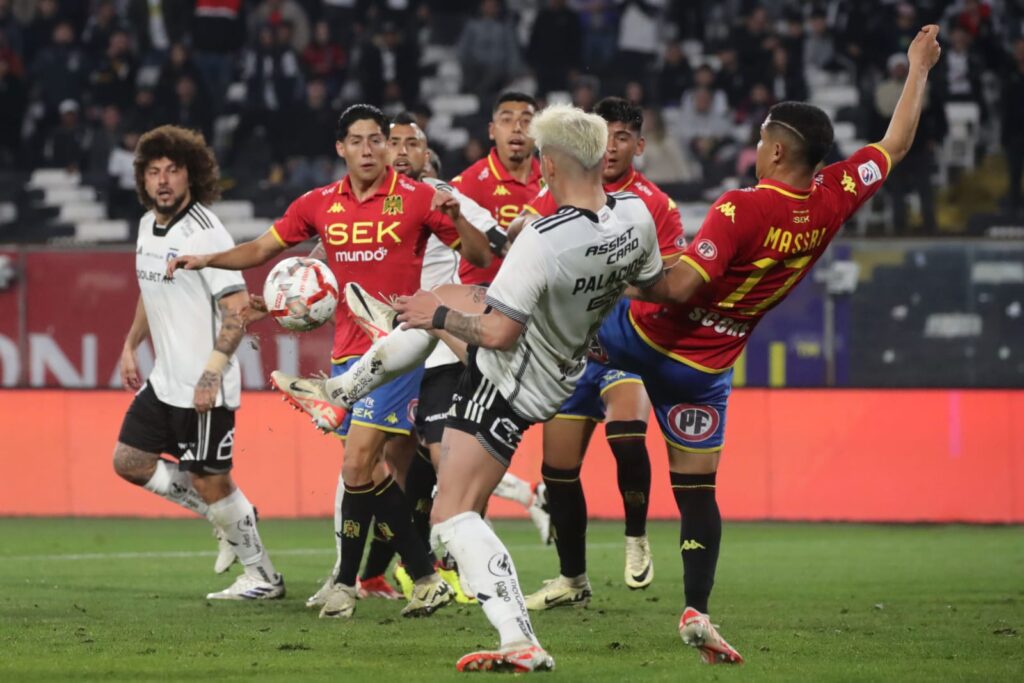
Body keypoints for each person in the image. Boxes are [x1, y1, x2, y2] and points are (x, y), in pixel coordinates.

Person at [272, 103, 666, 672]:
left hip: (509, 380)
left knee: (452, 516)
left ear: (549, 166)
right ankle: (342, 389)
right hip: (566, 367)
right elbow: (655, 285)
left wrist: (435, 317)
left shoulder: (542, 238)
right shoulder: (635, 214)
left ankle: (518, 638)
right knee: (444, 300)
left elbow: (497, 335)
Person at [598, 24, 942, 665]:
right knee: (698, 493)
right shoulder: (834, 195)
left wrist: (619, 270)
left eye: (761, 139)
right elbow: (896, 143)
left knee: (546, 321)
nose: (756, 147)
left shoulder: (741, 209)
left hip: (645, 338)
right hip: (705, 371)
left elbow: (676, 289)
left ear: (778, 153)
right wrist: (918, 69)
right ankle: (697, 610)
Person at [166, 104, 491, 621]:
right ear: (340, 148)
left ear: (387, 145)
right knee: (367, 474)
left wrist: (458, 220)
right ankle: (425, 577)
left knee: (357, 463)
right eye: (358, 141)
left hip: (397, 344)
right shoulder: (318, 205)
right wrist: (205, 260)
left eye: (377, 140)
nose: (369, 149)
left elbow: (480, 255)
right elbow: (261, 249)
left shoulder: (420, 198)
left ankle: (345, 583)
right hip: (344, 351)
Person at [520, 97, 685, 605]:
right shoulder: (558, 193)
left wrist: (615, 282)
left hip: (623, 351)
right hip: (568, 356)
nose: (610, 147)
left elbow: (674, 282)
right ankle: (573, 579)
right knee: (557, 472)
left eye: (621, 137)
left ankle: (636, 535)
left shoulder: (656, 206)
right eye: (602, 135)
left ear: (638, 145)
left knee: (628, 438)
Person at [114, 125, 284, 600]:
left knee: (213, 481)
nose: (163, 180)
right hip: (165, 380)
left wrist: (212, 373)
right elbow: (151, 289)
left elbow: (238, 310)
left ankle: (263, 577)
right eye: (154, 172)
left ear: (192, 175)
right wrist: (131, 344)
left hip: (204, 386)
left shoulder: (205, 232)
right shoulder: (148, 225)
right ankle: (226, 517)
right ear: (143, 180)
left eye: (173, 170)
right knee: (129, 461)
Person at [451, 92, 543, 285]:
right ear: (492, 131)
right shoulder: (467, 184)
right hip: (482, 301)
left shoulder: (554, 182)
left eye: (526, 121)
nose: (517, 128)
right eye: (507, 120)